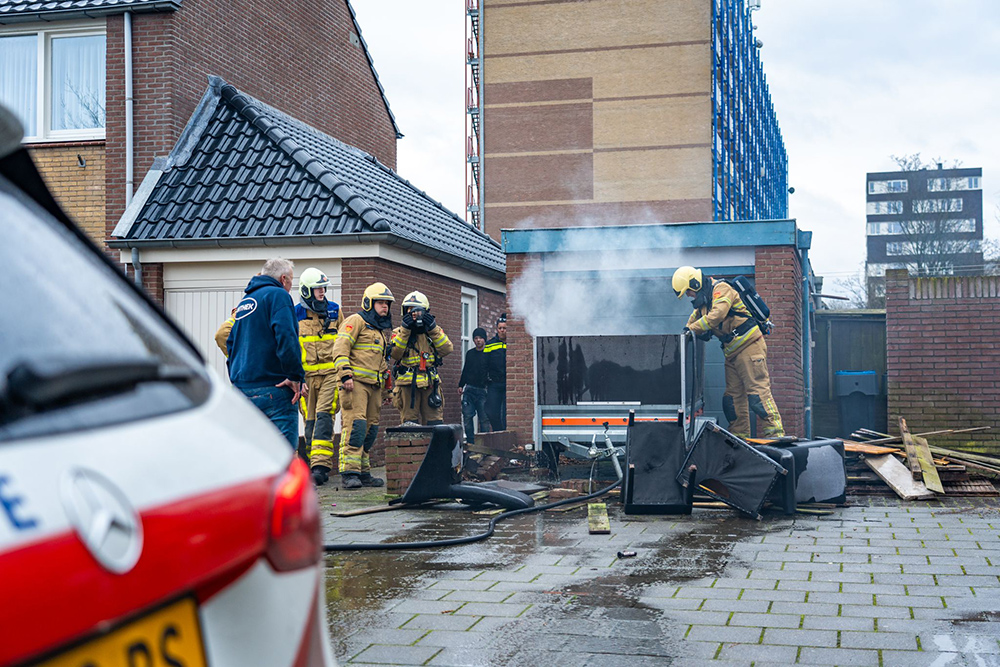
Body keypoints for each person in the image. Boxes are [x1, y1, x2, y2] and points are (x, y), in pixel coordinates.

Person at [672, 266, 784, 438]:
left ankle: (775, 435)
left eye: (688, 292)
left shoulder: (721, 289)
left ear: (695, 284)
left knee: (758, 393)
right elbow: (692, 322)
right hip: (731, 353)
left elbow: (717, 315)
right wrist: (685, 332)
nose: (689, 296)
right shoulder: (703, 303)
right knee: (733, 399)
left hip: (749, 347)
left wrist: (691, 330)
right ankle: (740, 438)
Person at [227, 258, 306, 449]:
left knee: (252, 455)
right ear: (283, 278)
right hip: (274, 390)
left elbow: (230, 342)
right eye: (291, 281)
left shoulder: (246, 301)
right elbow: (287, 338)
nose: (290, 287)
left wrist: (237, 378)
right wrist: (295, 376)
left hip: (243, 390)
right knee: (282, 458)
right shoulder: (278, 296)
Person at [331, 282, 394, 489]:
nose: (385, 307)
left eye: (387, 303)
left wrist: (387, 390)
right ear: (369, 303)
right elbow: (340, 348)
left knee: (371, 430)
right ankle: (349, 473)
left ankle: (364, 472)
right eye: (381, 303)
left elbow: (382, 363)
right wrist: (345, 375)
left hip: (374, 387)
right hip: (355, 385)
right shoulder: (355, 321)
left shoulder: (378, 331)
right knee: (355, 427)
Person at [295, 267, 345, 486]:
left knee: (324, 417)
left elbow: (343, 343)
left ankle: (320, 467)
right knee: (310, 421)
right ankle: (310, 464)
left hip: (330, 377)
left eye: (323, 288)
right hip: (305, 379)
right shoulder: (295, 314)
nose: (322, 292)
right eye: (317, 289)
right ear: (307, 291)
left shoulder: (335, 311)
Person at [390, 291, 454, 425]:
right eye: (410, 310)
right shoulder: (398, 332)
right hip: (408, 386)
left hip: (430, 384)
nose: (414, 314)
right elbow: (395, 354)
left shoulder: (433, 331)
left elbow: (447, 349)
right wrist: (406, 330)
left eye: (418, 311)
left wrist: (432, 328)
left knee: (435, 424)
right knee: (409, 424)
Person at [458, 327, 491, 444]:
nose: (478, 340)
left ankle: (484, 444)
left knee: (484, 419)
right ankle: (471, 443)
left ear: (485, 339)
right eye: (476, 338)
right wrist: (461, 385)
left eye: (481, 338)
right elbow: (466, 369)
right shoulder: (470, 354)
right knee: (467, 416)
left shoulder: (488, 354)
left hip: (483, 390)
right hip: (469, 389)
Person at [484, 314, 507, 432]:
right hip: (494, 383)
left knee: (507, 413)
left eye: (504, 328)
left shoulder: (512, 344)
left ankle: (506, 434)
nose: (502, 330)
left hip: (509, 383)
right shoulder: (490, 344)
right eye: (500, 328)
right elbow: (484, 363)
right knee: (491, 411)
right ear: (497, 329)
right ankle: (499, 432)